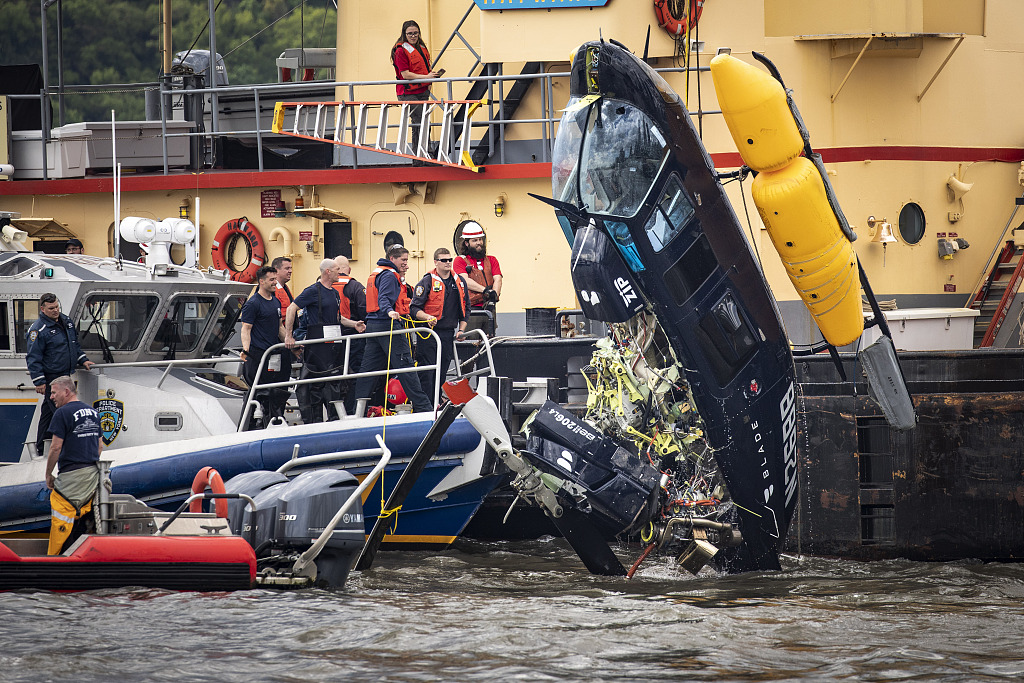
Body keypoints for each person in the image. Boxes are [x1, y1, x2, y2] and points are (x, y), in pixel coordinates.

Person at [354, 245, 432, 413]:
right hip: (387, 326)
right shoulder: (390, 275)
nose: (407, 264)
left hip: (373, 327)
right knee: (406, 368)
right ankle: (424, 409)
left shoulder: (378, 272)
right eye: (403, 260)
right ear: (392, 259)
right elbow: (383, 298)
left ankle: (356, 411)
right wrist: (390, 311)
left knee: (367, 371)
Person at [285, 259, 366, 423]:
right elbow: (291, 308)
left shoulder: (335, 293)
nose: (340, 272)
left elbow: (337, 318)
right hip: (318, 346)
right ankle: (314, 421)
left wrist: (354, 324)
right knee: (316, 386)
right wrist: (289, 335)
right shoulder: (313, 291)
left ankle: (334, 417)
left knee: (336, 383)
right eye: (337, 269)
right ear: (327, 271)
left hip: (334, 345)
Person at [26, 293, 95, 457]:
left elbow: (73, 345)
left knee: (48, 413)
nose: (55, 310)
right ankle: (66, 448)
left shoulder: (66, 322)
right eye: (51, 308)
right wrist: (39, 381)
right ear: (43, 309)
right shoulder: (38, 329)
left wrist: (83, 359)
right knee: (62, 411)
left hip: (65, 375)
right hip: (52, 378)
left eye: (57, 307)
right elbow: (33, 356)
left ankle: (42, 448)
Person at [44, 375, 102, 555]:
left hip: (70, 476)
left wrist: (48, 474)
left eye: (54, 392)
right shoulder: (93, 412)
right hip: (92, 476)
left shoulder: (62, 413)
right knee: (83, 517)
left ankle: (56, 557)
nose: (51, 396)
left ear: (66, 391)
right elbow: (99, 446)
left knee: (62, 512)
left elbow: (55, 447)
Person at [411, 248, 469, 400]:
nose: (448, 263)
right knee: (428, 371)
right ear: (436, 262)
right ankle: (425, 405)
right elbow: (414, 308)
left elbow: (465, 308)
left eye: (450, 260)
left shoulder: (459, 282)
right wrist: (427, 317)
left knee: (442, 369)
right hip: (428, 332)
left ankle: (436, 402)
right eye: (444, 260)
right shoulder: (426, 281)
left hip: (447, 333)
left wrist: (461, 330)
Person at [239, 266, 290, 429]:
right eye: (272, 280)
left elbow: (279, 327)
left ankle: (274, 422)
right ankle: (249, 426)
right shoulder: (253, 303)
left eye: (275, 279)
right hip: (258, 355)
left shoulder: (275, 300)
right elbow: (246, 329)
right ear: (261, 282)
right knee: (258, 392)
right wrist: (245, 350)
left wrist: (290, 343)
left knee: (276, 392)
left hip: (274, 355)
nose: (275, 282)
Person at [390, 20, 440, 156]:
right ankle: (423, 156)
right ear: (404, 34)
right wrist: (428, 78)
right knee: (420, 122)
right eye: (410, 34)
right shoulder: (400, 51)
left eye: (415, 33)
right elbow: (405, 74)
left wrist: (429, 83)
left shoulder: (421, 48)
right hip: (407, 92)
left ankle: (422, 155)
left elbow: (425, 68)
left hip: (422, 91)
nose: (413, 36)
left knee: (422, 123)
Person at [331, 255, 367, 417]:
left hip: (330, 339)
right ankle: (353, 410)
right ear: (349, 269)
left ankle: (333, 414)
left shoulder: (324, 286)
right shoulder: (355, 287)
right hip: (354, 337)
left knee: (333, 377)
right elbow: (365, 311)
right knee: (356, 375)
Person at [453, 220, 502, 334]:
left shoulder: (492, 260)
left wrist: (494, 295)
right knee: (472, 340)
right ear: (466, 243)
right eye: (475, 240)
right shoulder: (460, 261)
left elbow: (497, 278)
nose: (479, 242)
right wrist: (486, 291)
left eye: (480, 239)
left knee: (490, 341)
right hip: (472, 310)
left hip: (489, 309)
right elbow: (464, 280)